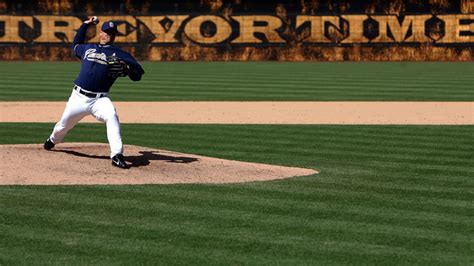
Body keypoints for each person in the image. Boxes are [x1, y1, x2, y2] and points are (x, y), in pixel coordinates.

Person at [44, 17, 145, 169]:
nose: (109, 35)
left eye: (113, 33)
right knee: (63, 125)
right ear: (101, 33)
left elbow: (138, 75)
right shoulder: (88, 48)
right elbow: (76, 44)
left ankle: (117, 155)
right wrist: (85, 25)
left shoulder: (120, 54)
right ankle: (52, 140)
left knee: (112, 116)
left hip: (100, 99)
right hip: (78, 98)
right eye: (107, 32)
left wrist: (128, 70)